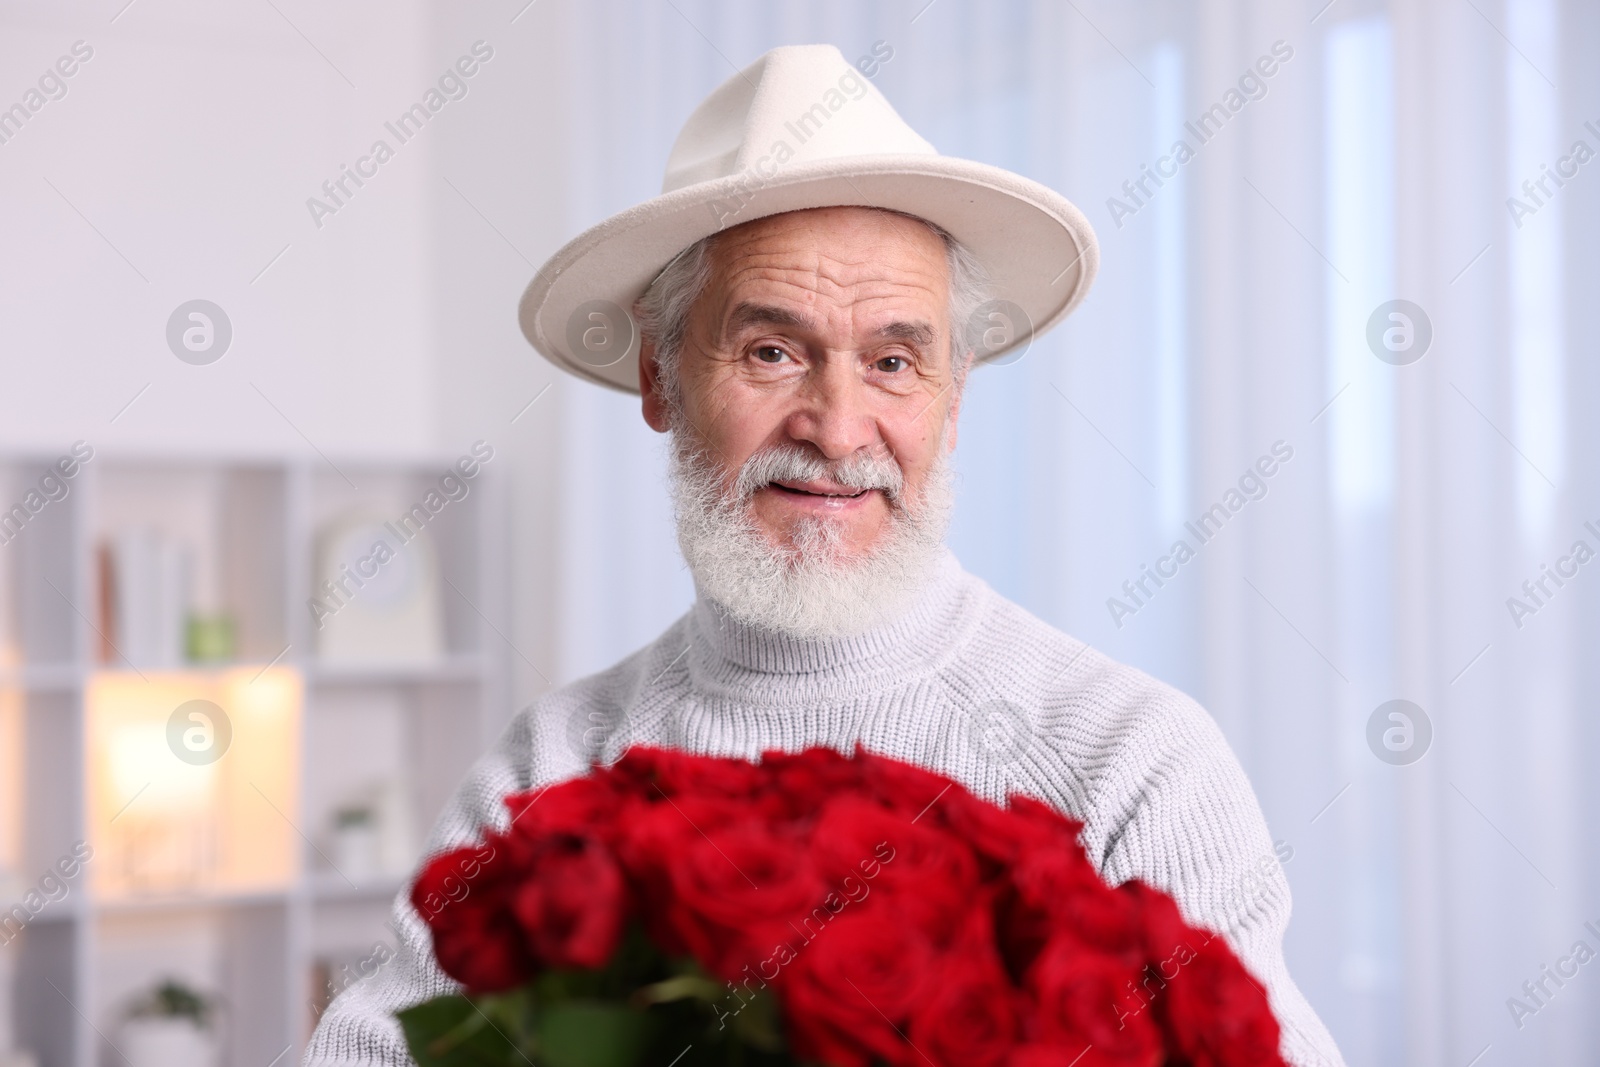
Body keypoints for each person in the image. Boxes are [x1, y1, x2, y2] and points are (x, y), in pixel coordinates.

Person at [305, 44, 1345, 1067]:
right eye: (771, 351)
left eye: (893, 360)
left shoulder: (1131, 759)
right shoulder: (551, 767)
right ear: (660, 376)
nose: (839, 429)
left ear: (953, 395)